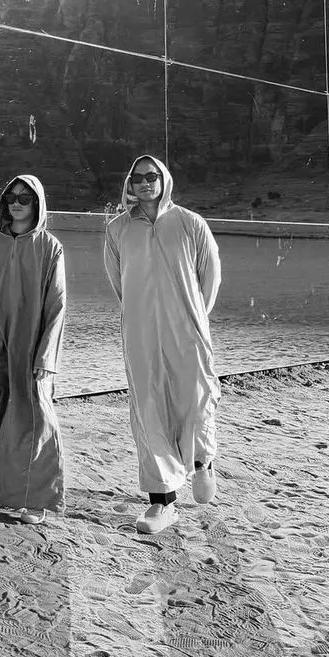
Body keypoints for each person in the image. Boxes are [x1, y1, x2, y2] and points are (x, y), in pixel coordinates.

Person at [103, 155, 222, 534]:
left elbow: (210, 276)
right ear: (129, 183)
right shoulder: (118, 229)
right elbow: (119, 282)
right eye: (137, 177)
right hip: (140, 333)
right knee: (149, 408)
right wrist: (142, 316)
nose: (145, 182)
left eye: (151, 176)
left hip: (188, 329)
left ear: (163, 179)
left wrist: (194, 317)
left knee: (196, 398)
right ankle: (162, 502)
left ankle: (202, 461)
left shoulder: (190, 223)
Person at [0, 175, 66, 525]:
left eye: (25, 198)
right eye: (11, 197)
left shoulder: (50, 247)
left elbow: (57, 305)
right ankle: (10, 494)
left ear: (37, 203)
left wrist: (46, 356)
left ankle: (38, 500)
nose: (16, 203)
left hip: (33, 345)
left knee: (36, 418)